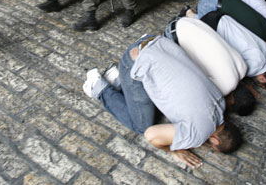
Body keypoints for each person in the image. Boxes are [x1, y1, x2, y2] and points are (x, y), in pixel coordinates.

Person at [83, 34, 242, 169]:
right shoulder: (198, 135)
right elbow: (151, 135)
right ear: (215, 139)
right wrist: (173, 150)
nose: (209, 146)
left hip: (156, 42)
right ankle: (98, 87)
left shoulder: (220, 102)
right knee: (141, 126)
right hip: (134, 59)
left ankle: (118, 79)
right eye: (213, 147)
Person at [197, 10, 266, 93]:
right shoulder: (250, 69)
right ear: (263, 79)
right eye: (261, 85)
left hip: (223, 17)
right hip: (214, 24)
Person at [195, 0, 266, 41]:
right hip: (209, 5)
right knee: (205, 33)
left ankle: (192, 15)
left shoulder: (265, 23)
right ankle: (190, 16)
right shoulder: (256, 38)